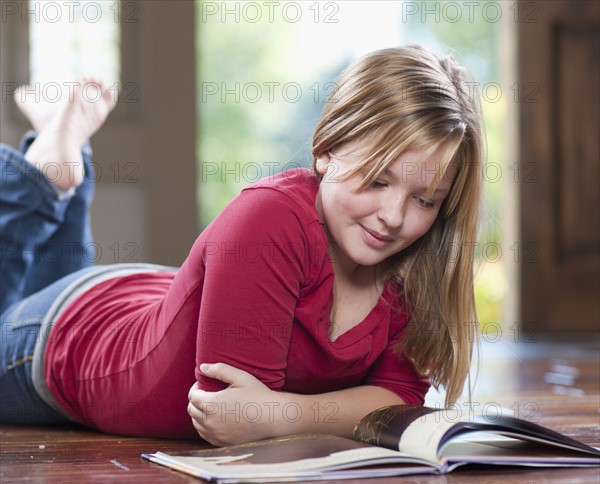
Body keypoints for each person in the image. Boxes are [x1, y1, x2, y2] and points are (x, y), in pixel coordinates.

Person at [0, 45, 484, 445]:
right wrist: (301, 413)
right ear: (326, 150)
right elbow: (228, 413)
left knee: (43, 276)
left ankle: (60, 164)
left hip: (140, 297)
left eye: (424, 199)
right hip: (67, 336)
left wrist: (284, 414)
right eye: (377, 180)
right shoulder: (271, 217)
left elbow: (400, 398)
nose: (395, 217)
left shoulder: (417, 261)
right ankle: (44, 178)